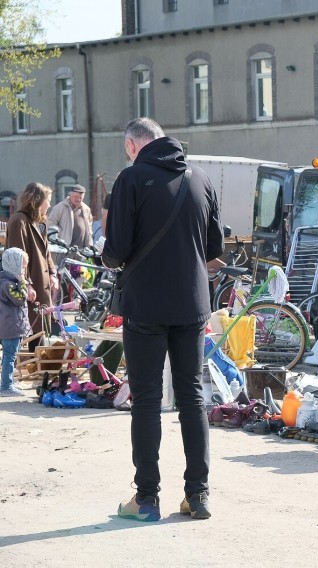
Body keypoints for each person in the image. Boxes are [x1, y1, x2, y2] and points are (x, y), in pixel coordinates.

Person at [103, 117, 224, 522]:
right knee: (192, 397)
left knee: (148, 400)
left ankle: (147, 499)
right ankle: (198, 495)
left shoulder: (131, 179)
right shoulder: (201, 178)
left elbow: (115, 251)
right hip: (192, 303)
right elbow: (214, 247)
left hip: (146, 305)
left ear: (135, 145)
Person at [5, 183, 59, 340]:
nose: (49, 204)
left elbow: (47, 253)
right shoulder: (19, 221)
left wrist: (53, 273)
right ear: (37, 200)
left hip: (41, 287)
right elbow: (17, 258)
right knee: (29, 331)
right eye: (47, 200)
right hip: (29, 288)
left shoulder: (40, 223)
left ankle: (38, 364)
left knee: (42, 331)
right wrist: (26, 284)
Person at [0, 248, 32, 397]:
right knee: (10, 356)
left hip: (11, 326)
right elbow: (19, 299)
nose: (24, 270)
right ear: (15, 266)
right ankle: (6, 386)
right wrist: (23, 283)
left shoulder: (8, 282)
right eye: (23, 266)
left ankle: (8, 382)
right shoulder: (8, 284)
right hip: (10, 327)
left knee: (9, 355)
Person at [47, 184, 93, 249]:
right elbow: (50, 224)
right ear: (70, 195)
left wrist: (89, 244)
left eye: (81, 197)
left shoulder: (86, 209)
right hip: (65, 248)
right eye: (76, 197)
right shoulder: (60, 207)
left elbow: (89, 228)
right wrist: (61, 233)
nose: (78, 199)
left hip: (82, 250)